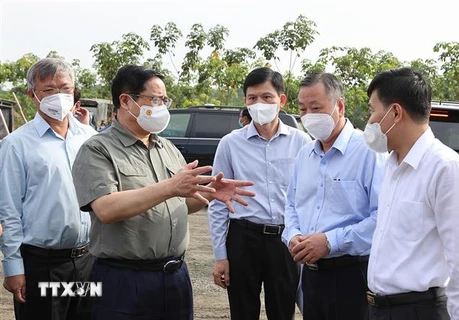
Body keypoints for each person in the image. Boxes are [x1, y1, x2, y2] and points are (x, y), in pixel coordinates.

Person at [71, 64, 255, 320]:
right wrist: (169, 187)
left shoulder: (166, 147)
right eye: (155, 99)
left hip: (174, 277)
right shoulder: (97, 149)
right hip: (122, 279)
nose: (162, 106)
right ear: (126, 101)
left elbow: (181, 202)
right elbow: (106, 209)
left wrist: (209, 192)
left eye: (164, 100)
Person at [365, 67, 459, 319]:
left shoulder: (445, 168)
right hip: (381, 308)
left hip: (419, 311)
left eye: (373, 111)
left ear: (395, 112)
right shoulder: (391, 165)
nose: (369, 121)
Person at [208, 67, 312, 320]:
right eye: (252, 98)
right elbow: (218, 202)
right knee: (242, 312)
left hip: (285, 241)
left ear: (282, 100)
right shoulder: (231, 144)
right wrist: (221, 256)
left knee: (283, 311)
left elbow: (310, 196)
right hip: (244, 238)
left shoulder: (301, 142)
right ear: (245, 101)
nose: (259, 104)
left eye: (267, 97)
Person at [283, 72, 386, 320]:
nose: (308, 116)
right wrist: (293, 235)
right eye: (303, 109)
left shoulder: (368, 152)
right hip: (311, 275)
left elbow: (382, 217)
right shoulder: (305, 154)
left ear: (339, 106)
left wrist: (330, 241)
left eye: (316, 108)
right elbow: (291, 205)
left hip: (352, 274)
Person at [0, 58, 96, 320]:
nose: (59, 96)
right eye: (49, 90)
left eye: (65, 89)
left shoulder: (89, 138)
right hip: (42, 265)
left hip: (87, 260)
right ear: (33, 95)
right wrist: (13, 266)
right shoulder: (16, 144)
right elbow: (9, 211)